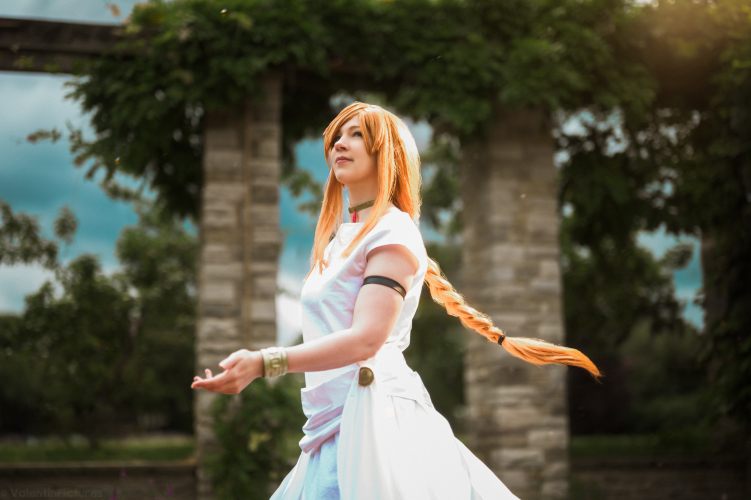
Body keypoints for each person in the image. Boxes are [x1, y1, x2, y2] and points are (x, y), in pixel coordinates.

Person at [191, 102, 600, 499]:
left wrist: (265, 362)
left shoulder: (393, 233)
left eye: (357, 135)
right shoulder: (339, 241)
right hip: (332, 426)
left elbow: (367, 339)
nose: (340, 143)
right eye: (337, 136)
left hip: (375, 423)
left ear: (385, 152)